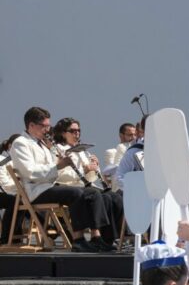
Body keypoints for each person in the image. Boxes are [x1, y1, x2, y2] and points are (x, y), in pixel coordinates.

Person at [10, 106, 112, 251]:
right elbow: (30, 172)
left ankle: (96, 237)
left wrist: (62, 162)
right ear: (31, 125)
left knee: (92, 192)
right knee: (75, 193)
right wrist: (57, 166)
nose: (47, 130)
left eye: (48, 126)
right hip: (36, 190)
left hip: (49, 185)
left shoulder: (42, 144)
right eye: (44, 126)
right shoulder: (21, 143)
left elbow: (52, 166)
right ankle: (78, 239)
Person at [52, 117, 123, 247]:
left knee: (114, 197)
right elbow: (59, 175)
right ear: (63, 133)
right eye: (72, 131)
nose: (77, 133)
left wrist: (95, 167)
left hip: (84, 186)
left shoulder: (82, 150)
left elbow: (90, 179)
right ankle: (100, 237)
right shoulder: (57, 149)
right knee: (101, 197)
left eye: (78, 130)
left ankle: (111, 237)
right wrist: (85, 170)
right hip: (68, 187)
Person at [104, 123, 137, 191]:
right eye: (130, 135)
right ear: (121, 136)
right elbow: (111, 177)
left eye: (135, 135)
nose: (133, 137)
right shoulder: (112, 152)